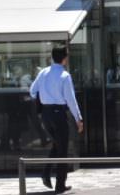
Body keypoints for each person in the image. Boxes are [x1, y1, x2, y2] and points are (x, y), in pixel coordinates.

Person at [29, 46, 83, 194]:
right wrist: (78, 118)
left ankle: (46, 173)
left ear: (53, 57)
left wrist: (44, 97)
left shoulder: (43, 72)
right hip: (59, 113)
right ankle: (60, 185)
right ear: (64, 59)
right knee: (62, 149)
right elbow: (71, 100)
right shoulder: (65, 76)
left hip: (45, 115)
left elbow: (32, 91)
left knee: (57, 145)